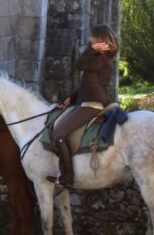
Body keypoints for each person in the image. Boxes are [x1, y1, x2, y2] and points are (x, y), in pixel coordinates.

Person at [47, 23, 119, 188]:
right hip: (85, 102)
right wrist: (70, 99)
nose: (89, 39)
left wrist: (92, 49)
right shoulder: (97, 58)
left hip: (93, 106)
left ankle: (67, 177)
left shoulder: (101, 59)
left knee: (58, 133)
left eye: (92, 37)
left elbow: (78, 65)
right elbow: (88, 86)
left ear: (99, 39)